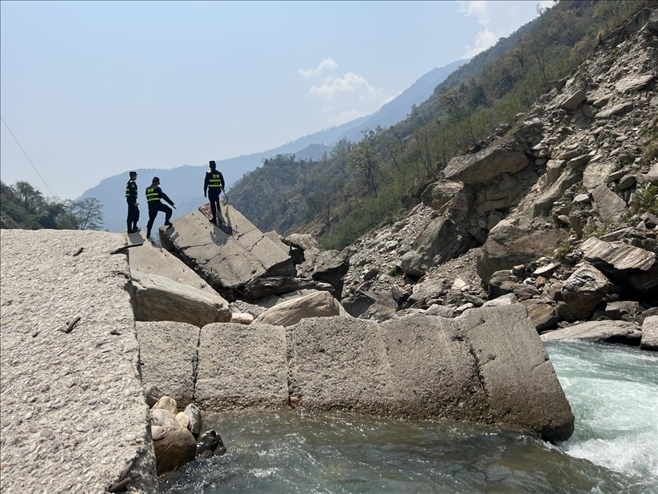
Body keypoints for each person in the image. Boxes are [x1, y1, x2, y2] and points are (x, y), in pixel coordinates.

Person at [203, 160, 225, 224]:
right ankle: (218, 209)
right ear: (215, 166)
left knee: (212, 204)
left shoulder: (208, 173)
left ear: (210, 166)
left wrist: (205, 191)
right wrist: (222, 187)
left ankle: (214, 219)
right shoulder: (219, 173)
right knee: (216, 198)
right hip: (217, 190)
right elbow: (223, 181)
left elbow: (206, 183)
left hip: (211, 191)